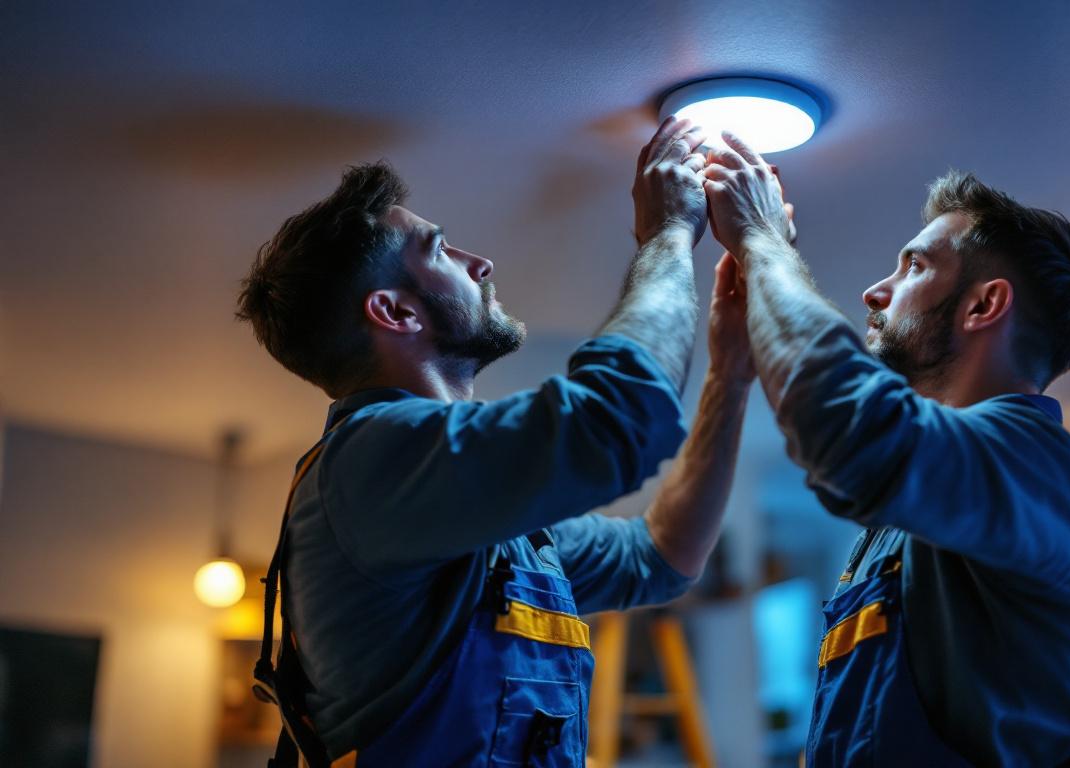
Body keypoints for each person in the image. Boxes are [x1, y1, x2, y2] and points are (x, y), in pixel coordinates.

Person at [234, 116, 752, 767]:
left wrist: (731, 375)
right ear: (396, 312)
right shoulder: (371, 460)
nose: (481, 263)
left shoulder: (481, 520)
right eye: (441, 249)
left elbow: (661, 557)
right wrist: (667, 235)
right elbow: (617, 421)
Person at [700, 133, 1070, 766]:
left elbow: (847, 429)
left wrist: (764, 240)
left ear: (984, 304)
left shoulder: (1040, 470)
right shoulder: (910, 518)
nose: (875, 293)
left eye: (914, 266)